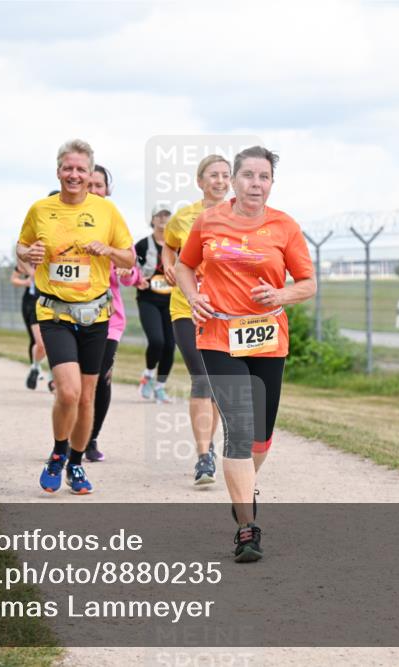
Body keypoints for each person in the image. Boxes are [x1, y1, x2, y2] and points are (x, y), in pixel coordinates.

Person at [175, 146, 315, 562]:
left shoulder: (284, 226)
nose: (256, 183)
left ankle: (241, 490)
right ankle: (246, 528)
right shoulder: (209, 220)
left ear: (272, 183)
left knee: (260, 438)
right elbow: (184, 265)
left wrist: (282, 293)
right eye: (248, 175)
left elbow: (308, 282)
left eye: (264, 177)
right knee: (238, 427)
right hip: (218, 334)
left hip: (268, 337)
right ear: (233, 180)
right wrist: (193, 295)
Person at [16, 139, 134, 494]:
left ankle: (77, 464)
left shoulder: (106, 212)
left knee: (86, 397)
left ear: (90, 174)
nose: (74, 174)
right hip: (54, 310)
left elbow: (129, 259)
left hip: (95, 313)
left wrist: (109, 250)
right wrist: (29, 252)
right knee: (67, 393)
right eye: (68, 168)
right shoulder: (40, 209)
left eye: (81, 169)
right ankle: (58, 453)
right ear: (58, 171)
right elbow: (21, 248)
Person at [163, 154, 232, 485]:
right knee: (202, 377)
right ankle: (204, 456)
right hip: (186, 305)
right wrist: (168, 263)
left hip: (224, 308)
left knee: (216, 383)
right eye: (213, 175)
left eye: (225, 175)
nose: (220, 181)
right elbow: (169, 245)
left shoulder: (240, 216)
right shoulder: (184, 217)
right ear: (200, 181)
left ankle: (208, 449)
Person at [84, 164, 141, 463]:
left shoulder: (115, 224)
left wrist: (125, 269)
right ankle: (68, 437)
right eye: (89, 185)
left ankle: (90, 438)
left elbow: (133, 275)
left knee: (101, 379)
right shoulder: (68, 221)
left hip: (109, 318)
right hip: (71, 314)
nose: (93, 190)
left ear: (107, 190)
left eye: (99, 185)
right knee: (75, 381)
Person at [135, 205, 176, 404]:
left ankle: (160, 387)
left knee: (170, 345)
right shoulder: (142, 245)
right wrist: (137, 280)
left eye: (167, 215)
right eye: (159, 215)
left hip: (171, 301)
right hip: (148, 299)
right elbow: (131, 268)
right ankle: (148, 375)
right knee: (157, 341)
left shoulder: (178, 246)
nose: (163, 219)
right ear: (152, 220)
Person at [11, 256, 51, 390]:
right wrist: (27, 280)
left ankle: (53, 377)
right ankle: (35, 367)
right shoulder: (30, 263)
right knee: (40, 343)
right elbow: (14, 277)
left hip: (56, 303)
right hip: (34, 303)